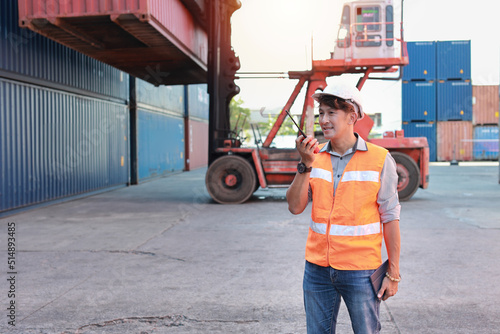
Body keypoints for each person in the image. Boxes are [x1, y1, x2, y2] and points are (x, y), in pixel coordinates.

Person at [286, 83, 401, 334]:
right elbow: (295, 207)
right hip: (317, 269)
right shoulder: (313, 158)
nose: (323, 120)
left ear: (352, 116)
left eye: (331, 113)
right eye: (321, 113)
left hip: (361, 270)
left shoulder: (380, 159)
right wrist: (305, 164)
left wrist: (393, 272)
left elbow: (390, 218)